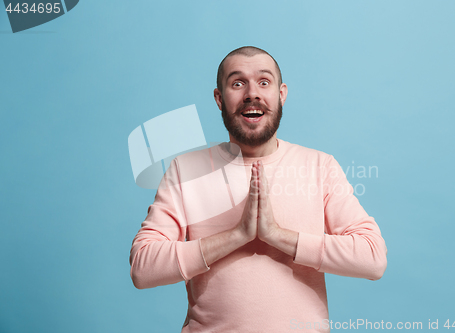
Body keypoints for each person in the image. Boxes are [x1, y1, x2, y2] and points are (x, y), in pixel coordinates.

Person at [129, 46, 387, 332]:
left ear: (281, 94)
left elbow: (372, 257)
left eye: (264, 82)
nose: (252, 93)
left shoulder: (319, 165)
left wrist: (278, 235)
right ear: (219, 98)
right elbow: (143, 268)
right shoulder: (185, 170)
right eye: (237, 83)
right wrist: (236, 235)